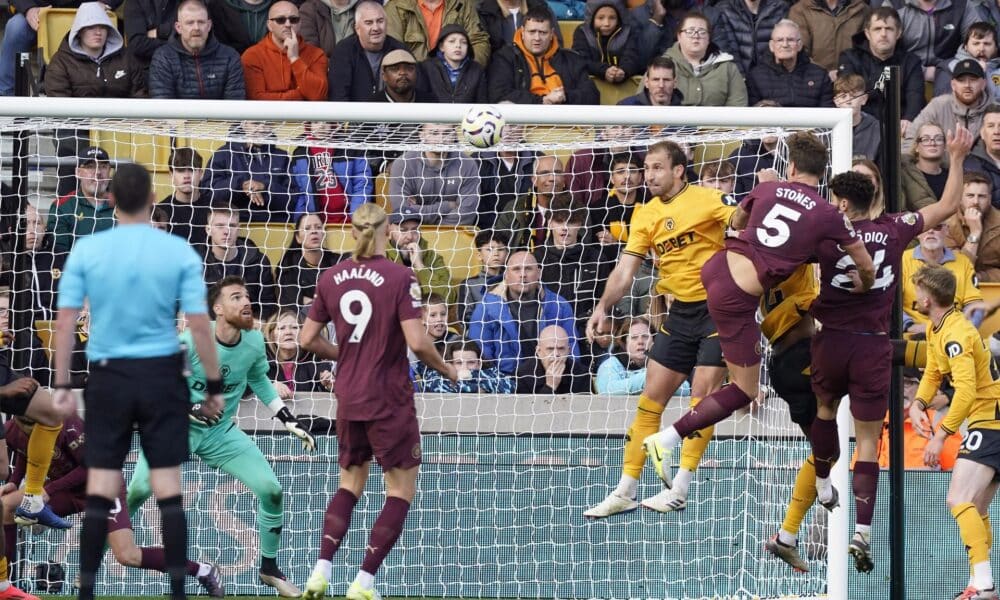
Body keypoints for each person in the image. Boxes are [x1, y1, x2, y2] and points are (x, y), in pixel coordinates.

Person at [638, 132, 876, 516]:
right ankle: (667, 438)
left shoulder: (769, 189)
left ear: (792, 167)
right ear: (823, 174)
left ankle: (678, 477)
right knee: (746, 390)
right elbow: (864, 263)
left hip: (715, 269)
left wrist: (766, 196)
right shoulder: (828, 215)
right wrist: (864, 285)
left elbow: (737, 220)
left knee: (729, 380)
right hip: (740, 298)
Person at [51, 163, 223, 600]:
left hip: (110, 377)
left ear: (111, 199)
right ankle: (180, 591)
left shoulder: (88, 250)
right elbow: (200, 326)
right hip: (162, 376)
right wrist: (214, 386)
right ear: (151, 200)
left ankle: (86, 592)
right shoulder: (178, 251)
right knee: (168, 488)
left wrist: (63, 383)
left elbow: (66, 321)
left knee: (102, 486)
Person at [806, 127, 971, 574]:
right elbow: (948, 206)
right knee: (865, 442)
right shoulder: (895, 229)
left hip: (831, 340)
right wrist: (956, 158)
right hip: (874, 347)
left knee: (823, 413)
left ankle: (822, 484)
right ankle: (864, 530)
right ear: (874, 195)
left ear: (841, 202)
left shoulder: (823, 235)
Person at [298, 203, 457, 600]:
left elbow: (305, 339)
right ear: (388, 232)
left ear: (352, 233)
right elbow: (418, 342)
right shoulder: (402, 275)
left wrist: (346, 357)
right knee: (399, 491)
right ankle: (364, 583)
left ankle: (320, 570)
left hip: (348, 395)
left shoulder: (330, 277)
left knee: (349, 483)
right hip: (388, 396)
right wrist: (450, 371)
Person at [127, 276, 314, 597]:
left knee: (272, 490)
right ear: (217, 308)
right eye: (236, 297)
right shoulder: (190, 342)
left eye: (247, 296)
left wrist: (287, 418)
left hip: (221, 433)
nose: (246, 302)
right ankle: (95, 559)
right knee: (136, 492)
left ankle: (269, 569)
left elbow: (259, 379)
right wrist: (192, 407)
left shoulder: (255, 341)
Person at [582, 140, 732, 518]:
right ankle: (625, 490)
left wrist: (752, 205)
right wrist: (602, 306)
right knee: (650, 401)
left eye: (657, 168)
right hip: (679, 314)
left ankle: (680, 486)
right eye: (646, 168)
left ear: (679, 170)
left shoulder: (708, 200)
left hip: (718, 310)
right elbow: (625, 269)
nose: (648, 175)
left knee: (702, 398)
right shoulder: (644, 215)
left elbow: (742, 225)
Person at [2, 415, 225, 597]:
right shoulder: (12, 429)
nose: (33, 429)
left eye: (36, 424)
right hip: (68, 491)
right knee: (6, 506)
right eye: (26, 425)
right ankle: (5, 585)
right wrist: (13, 481)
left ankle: (202, 571)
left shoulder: (69, 425)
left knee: (128, 556)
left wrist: (48, 491)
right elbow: (25, 452)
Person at [910, 264, 1000, 600]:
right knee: (974, 507)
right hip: (989, 420)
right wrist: (918, 404)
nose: (914, 296)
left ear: (928, 298)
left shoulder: (957, 334)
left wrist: (940, 434)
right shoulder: (939, 328)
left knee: (958, 498)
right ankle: (982, 583)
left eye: (918, 291)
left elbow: (964, 391)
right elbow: (933, 371)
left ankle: (985, 584)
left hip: (990, 420)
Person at [468, 251, 578, 376]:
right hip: (504, 383)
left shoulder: (559, 306)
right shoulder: (486, 308)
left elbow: (572, 350)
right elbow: (481, 355)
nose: (523, 275)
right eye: (516, 269)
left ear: (539, 273)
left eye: (528, 269)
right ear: (506, 275)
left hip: (552, 379)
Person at [837, 7, 925, 134]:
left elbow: (915, 96)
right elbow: (848, 97)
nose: (883, 34)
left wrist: (909, 118)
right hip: (860, 127)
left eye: (889, 29)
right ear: (867, 33)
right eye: (877, 29)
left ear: (898, 33)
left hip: (899, 129)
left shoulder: (911, 61)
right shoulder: (850, 58)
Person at [486, 7, 600, 105]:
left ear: (551, 34)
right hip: (521, 125)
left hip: (567, 124)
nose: (537, 38)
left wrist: (564, 96)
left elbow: (592, 95)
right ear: (523, 32)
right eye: (532, 32)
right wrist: (542, 100)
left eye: (543, 33)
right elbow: (498, 94)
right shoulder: (505, 57)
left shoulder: (571, 59)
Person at [44, 2, 146, 98]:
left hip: (122, 116)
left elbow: (140, 97)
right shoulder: (61, 62)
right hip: (79, 117)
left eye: (102, 27)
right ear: (79, 32)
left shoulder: (126, 58)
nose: (98, 32)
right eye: (90, 27)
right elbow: (60, 106)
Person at [149, 0, 246, 100]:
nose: (196, 28)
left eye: (201, 22)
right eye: (190, 23)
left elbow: (234, 108)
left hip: (218, 116)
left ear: (209, 26)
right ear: (178, 28)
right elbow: (164, 109)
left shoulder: (230, 57)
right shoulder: (163, 58)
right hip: (178, 116)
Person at [902, 222, 985, 336]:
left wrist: (962, 329)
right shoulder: (901, 260)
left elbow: (975, 306)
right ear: (918, 233)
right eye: (926, 227)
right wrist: (909, 325)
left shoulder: (963, 262)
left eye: (937, 226)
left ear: (946, 230)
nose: (931, 231)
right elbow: (888, 304)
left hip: (954, 334)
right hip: (912, 335)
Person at [388, 123, 479, 226]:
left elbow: (466, 215)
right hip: (411, 234)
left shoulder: (467, 164)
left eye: (447, 133)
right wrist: (447, 206)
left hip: (454, 234)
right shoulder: (403, 164)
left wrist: (417, 210)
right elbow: (403, 212)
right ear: (421, 135)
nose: (441, 139)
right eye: (434, 133)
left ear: (454, 135)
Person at [207, 121, 296, 224]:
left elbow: (294, 199)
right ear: (244, 125)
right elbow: (209, 195)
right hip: (235, 227)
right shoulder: (223, 154)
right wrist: (241, 185)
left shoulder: (282, 157)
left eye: (266, 124)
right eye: (256, 124)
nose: (262, 129)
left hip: (278, 226)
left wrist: (265, 187)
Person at [201, 203, 278, 319]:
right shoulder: (196, 264)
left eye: (232, 226)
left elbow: (268, 305)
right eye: (220, 226)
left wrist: (257, 320)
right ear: (208, 230)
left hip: (249, 328)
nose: (226, 231)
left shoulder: (258, 261)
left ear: (239, 229)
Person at [241, 0, 329, 101]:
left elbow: (318, 96)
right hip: (268, 116)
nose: (288, 24)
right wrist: (300, 95)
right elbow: (256, 99)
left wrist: (294, 59)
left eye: (293, 19)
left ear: (300, 23)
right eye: (280, 20)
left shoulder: (317, 54)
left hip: (306, 116)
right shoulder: (252, 56)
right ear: (269, 25)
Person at [290, 121, 373, 223]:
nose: (321, 126)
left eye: (326, 122)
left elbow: (362, 183)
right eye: (316, 122)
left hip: (350, 218)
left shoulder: (350, 148)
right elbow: (300, 193)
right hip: (317, 221)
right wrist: (301, 220)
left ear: (333, 125)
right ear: (309, 125)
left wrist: (357, 215)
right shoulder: (300, 154)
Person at [904, 58, 991, 154]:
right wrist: (907, 166)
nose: (967, 85)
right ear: (953, 85)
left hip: (983, 168)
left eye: (973, 80)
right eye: (961, 80)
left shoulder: (995, 110)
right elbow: (911, 137)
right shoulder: (938, 105)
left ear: (983, 84)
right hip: (940, 167)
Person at [662, 12, 748, 107]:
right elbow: (646, 100)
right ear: (679, 36)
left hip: (716, 121)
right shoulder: (663, 65)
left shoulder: (728, 68)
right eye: (690, 31)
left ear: (709, 38)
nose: (696, 36)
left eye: (702, 32)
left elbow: (738, 106)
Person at [327, 1, 407, 101]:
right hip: (353, 114)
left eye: (380, 21)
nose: (376, 28)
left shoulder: (399, 51)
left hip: (392, 114)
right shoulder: (343, 52)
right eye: (369, 23)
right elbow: (338, 97)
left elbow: (410, 94)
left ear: (387, 24)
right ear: (357, 28)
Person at [746, 19, 834, 108]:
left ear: (799, 45)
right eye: (780, 40)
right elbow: (751, 114)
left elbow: (829, 111)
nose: (785, 44)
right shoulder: (756, 76)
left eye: (790, 40)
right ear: (771, 46)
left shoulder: (819, 75)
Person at [46, 147, 113, 254]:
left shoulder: (125, 205)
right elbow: (59, 255)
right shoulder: (62, 207)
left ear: (110, 171)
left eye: (103, 166)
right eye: (90, 167)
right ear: (78, 172)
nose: (98, 172)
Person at [493, 155, 567, 251]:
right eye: (545, 173)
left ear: (564, 179)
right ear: (534, 180)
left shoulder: (577, 210)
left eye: (557, 173)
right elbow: (499, 245)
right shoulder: (514, 208)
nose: (552, 178)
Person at [384, 0, 490, 65]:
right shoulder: (396, 7)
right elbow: (393, 50)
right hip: (413, 83)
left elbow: (478, 41)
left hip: (454, 79)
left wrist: (467, 71)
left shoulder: (462, 4)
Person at [277, 213, 345, 311]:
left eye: (318, 227)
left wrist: (308, 301)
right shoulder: (288, 264)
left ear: (323, 233)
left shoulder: (337, 261)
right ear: (298, 237)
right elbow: (291, 300)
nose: (314, 231)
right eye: (307, 228)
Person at [787, 0, 868, 78]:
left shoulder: (861, 9)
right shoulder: (800, 10)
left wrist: (847, 74)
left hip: (852, 81)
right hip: (814, 80)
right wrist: (823, 74)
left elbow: (866, 51)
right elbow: (800, 52)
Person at [263, 310, 335, 395]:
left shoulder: (314, 359)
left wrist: (329, 385)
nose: (288, 332)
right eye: (282, 328)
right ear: (272, 336)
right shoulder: (261, 361)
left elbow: (329, 388)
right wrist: (269, 386)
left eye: (294, 327)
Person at [945, 172, 1000, 282]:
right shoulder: (947, 223)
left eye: (982, 196)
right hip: (954, 288)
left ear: (989, 199)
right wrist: (975, 233)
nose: (975, 202)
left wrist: (980, 277)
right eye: (970, 196)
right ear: (960, 198)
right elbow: (958, 270)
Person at [711, 0, 789, 76]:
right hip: (739, 77)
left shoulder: (779, 8)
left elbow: (783, 46)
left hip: (772, 76)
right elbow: (728, 50)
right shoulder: (725, 9)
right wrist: (741, 77)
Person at [386, 215, 453, 302]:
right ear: (389, 233)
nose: (410, 237)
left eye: (415, 230)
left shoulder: (433, 258)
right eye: (403, 230)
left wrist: (420, 266)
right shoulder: (381, 256)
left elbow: (449, 299)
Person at [572, 0, 641, 82]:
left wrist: (623, 71)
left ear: (619, 19)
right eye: (601, 18)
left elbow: (631, 57)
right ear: (591, 18)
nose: (606, 23)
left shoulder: (628, 32)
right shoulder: (582, 32)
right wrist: (604, 70)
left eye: (612, 18)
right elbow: (580, 60)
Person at [158, 147, 212, 248]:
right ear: (171, 175)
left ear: (201, 174)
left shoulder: (215, 209)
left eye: (191, 170)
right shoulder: (160, 211)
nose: (186, 176)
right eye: (180, 170)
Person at [419, 24, 488, 103]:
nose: (458, 45)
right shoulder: (426, 68)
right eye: (452, 41)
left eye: (463, 42)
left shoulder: (476, 70)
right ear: (441, 47)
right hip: (435, 115)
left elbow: (482, 103)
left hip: (466, 115)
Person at [516, 325, 592, 394]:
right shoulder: (523, 375)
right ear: (539, 351)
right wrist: (550, 386)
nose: (556, 354)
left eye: (561, 348)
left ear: (568, 351)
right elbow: (526, 408)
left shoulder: (581, 374)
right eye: (550, 349)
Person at [418, 340, 514, 393]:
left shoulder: (492, 374)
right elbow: (435, 385)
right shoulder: (436, 375)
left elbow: (510, 386)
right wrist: (476, 389)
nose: (465, 368)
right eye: (459, 363)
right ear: (450, 364)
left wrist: (470, 377)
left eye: (471, 362)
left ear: (479, 364)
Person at [456, 230, 509, 325]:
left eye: (500, 249)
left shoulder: (512, 281)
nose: (496, 253)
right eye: (490, 249)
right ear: (479, 255)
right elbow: (465, 318)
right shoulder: (469, 284)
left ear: (507, 254)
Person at [594, 317, 652, 395]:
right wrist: (652, 378)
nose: (640, 342)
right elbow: (607, 391)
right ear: (624, 343)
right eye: (634, 337)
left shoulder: (664, 363)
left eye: (645, 337)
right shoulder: (609, 365)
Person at [902, 122, 948, 210]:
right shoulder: (904, 174)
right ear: (916, 147)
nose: (932, 143)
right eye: (926, 139)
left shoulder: (951, 175)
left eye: (938, 139)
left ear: (944, 146)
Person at [963, 105, 1000, 208]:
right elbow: (984, 203)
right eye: (991, 126)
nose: (997, 132)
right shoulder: (971, 165)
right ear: (982, 133)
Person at [616, 56, 683, 106]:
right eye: (655, 80)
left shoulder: (685, 114)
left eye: (666, 80)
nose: (661, 85)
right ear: (646, 82)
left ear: (675, 83)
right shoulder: (625, 108)